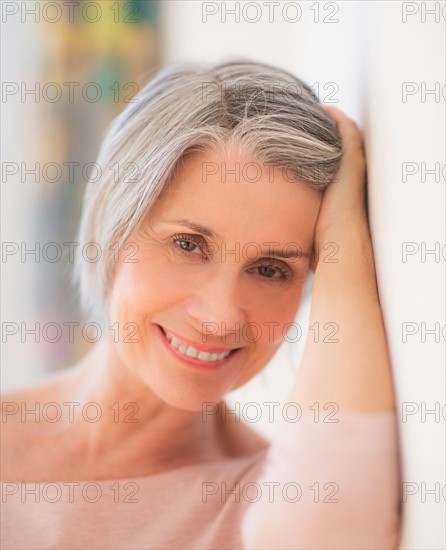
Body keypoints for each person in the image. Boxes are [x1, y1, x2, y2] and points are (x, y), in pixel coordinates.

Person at [1, 60, 402, 549]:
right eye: (189, 244)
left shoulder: (265, 501)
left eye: (272, 269)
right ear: (113, 226)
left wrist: (345, 237)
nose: (220, 316)